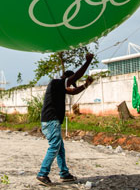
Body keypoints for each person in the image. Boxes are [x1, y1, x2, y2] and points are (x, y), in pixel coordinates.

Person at [36, 53, 95, 186]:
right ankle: (42, 174)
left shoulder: (59, 88)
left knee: (60, 149)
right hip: (51, 121)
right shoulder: (56, 83)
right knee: (54, 146)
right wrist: (88, 62)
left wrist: (86, 85)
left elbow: (73, 91)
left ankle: (64, 174)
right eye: (71, 82)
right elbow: (77, 76)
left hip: (52, 121)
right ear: (67, 79)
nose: (70, 86)